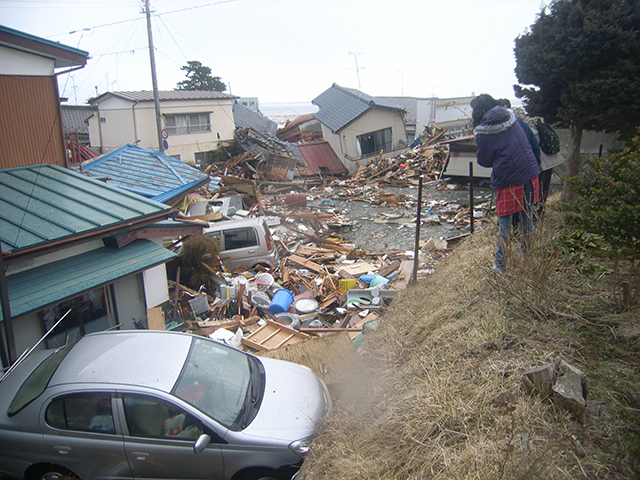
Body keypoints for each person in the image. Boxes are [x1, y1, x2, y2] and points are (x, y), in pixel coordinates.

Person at [471, 94, 541, 271]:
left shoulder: (484, 131)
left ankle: (501, 264)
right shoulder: (512, 118)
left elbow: (484, 161)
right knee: (527, 218)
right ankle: (528, 258)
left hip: (508, 179)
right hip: (530, 174)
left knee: (505, 223)